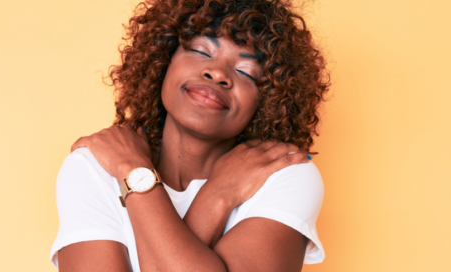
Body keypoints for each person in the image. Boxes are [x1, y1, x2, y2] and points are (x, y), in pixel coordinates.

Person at [50, 0, 329, 271]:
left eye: (247, 72)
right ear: (163, 60)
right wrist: (217, 197)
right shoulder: (94, 166)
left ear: (267, 101)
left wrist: (133, 172)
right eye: (202, 51)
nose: (217, 72)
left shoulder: (284, 174)